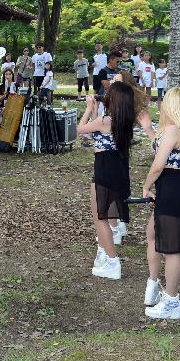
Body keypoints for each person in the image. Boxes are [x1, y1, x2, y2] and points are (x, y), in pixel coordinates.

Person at [142, 87, 180, 319]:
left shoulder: (174, 129)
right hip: (168, 189)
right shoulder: (173, 129)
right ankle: (153, 285)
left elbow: (158, 165)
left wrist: (145, 187)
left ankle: (172, 301)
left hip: (170, 189)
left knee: (171, 248)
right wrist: (147, 128)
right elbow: (159, 144)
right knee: (152, 234)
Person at [77, 81, 135, 281]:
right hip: (117, 168)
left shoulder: (106, 120)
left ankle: (112, 261)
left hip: (104, 168)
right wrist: (95, 110)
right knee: (107, 212)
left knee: (99, 217)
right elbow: (97, 135)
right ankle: (104, 252)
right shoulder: (122, 120)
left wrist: (88, 108)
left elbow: (80, 129)